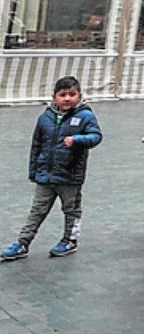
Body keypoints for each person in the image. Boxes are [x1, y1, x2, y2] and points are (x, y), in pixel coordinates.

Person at [1, 76, 103, 262]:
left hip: (69, 177)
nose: (67, 99)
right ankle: (23, 243)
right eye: (62, 94)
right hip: (45, 176)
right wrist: (34, 171)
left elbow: (96, 136)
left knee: (71, 209)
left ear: (79, 96)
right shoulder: (45, 118)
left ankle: (70, 240)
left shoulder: (85, 116)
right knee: (37, 210)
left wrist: (78, 140)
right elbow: (36, 145)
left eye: (72, 94)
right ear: (54, 97)